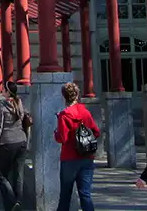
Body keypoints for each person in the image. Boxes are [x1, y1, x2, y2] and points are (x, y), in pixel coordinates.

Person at [54, 82, 100, 211]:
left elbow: (62, 138)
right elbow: (96, 132)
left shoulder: (64, 115)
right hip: (87, 156)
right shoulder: (85, 112)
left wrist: (55, 133)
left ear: (64, 97)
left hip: (69, 158)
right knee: (85, 194)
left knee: (65, 194)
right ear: (77, 95)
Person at [0, 80, 29, 211]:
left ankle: (12, 201)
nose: (2, 91)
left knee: (1, 175)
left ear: (8, 92)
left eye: (3, 89)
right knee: (18, 173)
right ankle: (18, 201)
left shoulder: (2, 106)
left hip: (7, 142)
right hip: (21, 141)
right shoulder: (19, 103)